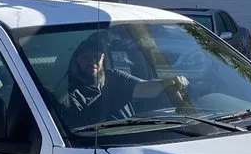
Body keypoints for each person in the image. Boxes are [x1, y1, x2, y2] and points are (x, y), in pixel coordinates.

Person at [58, 32, 189, 129]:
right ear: (76, 60)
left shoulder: (114, 77)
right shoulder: (69, 95)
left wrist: (170, 82)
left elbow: (145, 88)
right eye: (86, 57)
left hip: (132, 134)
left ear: (103, 58)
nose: (92, 61)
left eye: (96, 56)